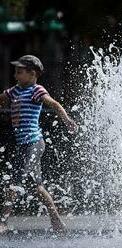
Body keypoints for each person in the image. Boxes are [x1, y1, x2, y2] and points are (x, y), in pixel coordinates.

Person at [0, 55, 77, 234]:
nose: (15, 75)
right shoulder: (15, 91)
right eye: (15, 71)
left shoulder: (37, 90)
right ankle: (57, 221)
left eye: (20, 72)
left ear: (32, 74)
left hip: (34, 143)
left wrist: (67, 121)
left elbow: (55, 104)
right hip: (24, 145)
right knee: (37, 187)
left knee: (13, 181)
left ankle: (3, 221)